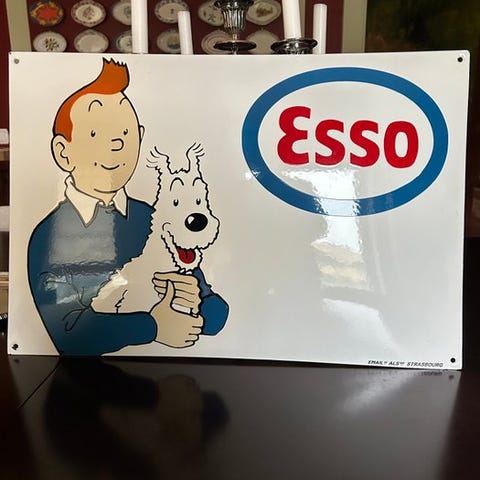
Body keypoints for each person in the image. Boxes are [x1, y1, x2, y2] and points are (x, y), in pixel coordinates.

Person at [28, 58, 228, 355]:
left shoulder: (153, 219)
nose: (116, 145)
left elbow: (216, 310)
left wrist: (195, 302)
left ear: (140, 137)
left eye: (125, 133)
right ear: (63, 151)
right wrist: (154, 327)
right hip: (84, 379)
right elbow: (67, 332)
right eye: (95, 134)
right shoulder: (50, 235)